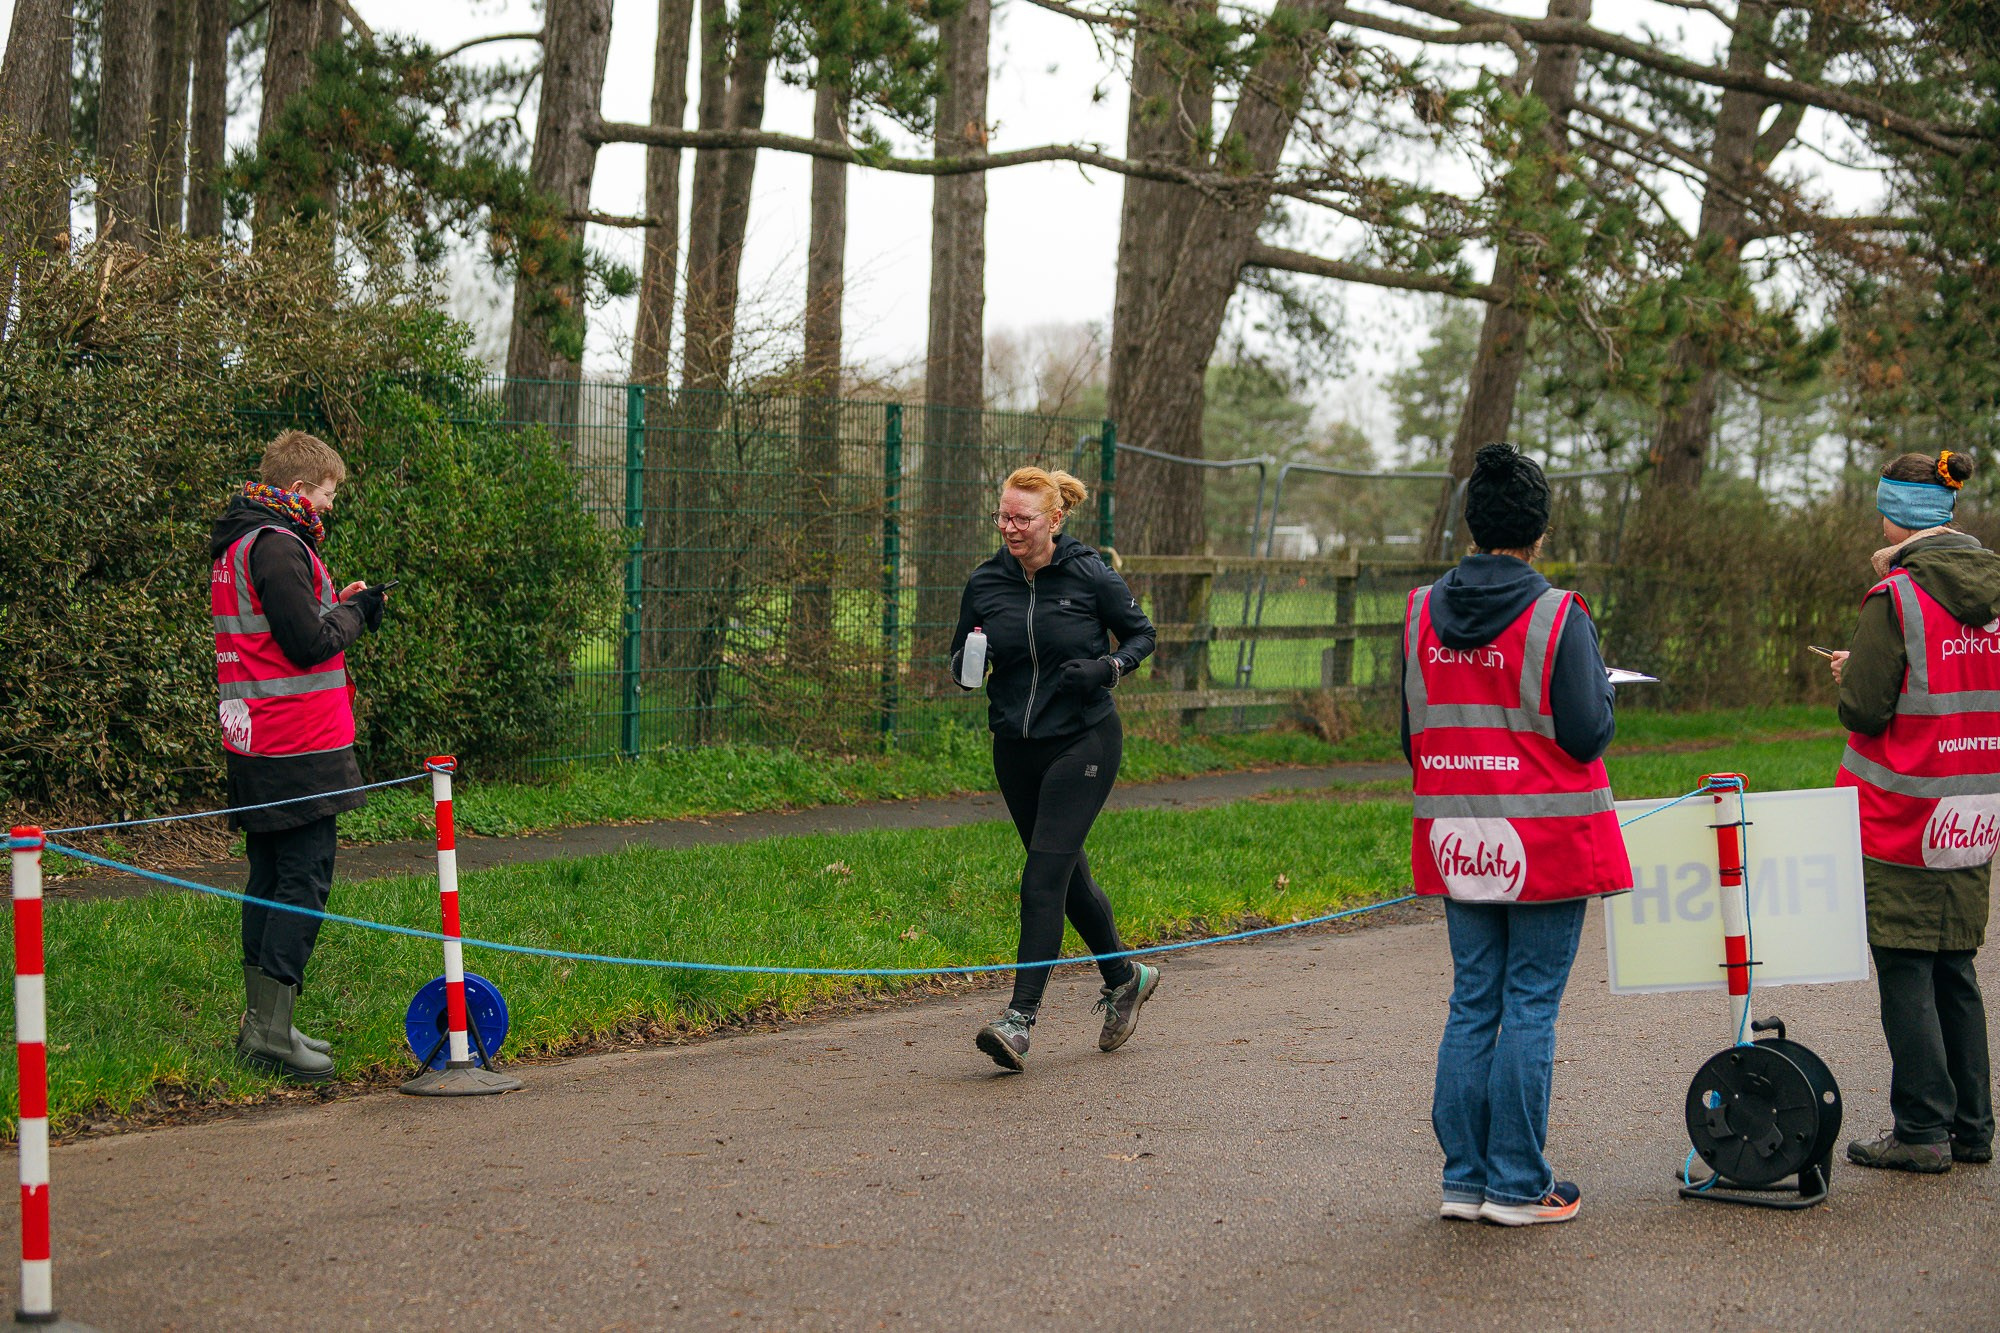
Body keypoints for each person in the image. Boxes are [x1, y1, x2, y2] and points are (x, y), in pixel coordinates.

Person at [1402, 442, 1629, 1226]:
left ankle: (1464, 1179)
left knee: (1473, 1000)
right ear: (1539, 530)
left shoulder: (1420, 612)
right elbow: (1587, 733)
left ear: (1471, 522)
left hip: (1458, 834)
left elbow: (1414, 733)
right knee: (1530, 1005)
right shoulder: (1559, 614)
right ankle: (1518, 1184)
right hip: (1547, 842)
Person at [949, 466, 1161, 1072]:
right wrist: (968, 658)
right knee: (1064, 876)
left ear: (1054, 520)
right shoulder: (986, 580)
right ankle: (1126, 977)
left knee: (1041, 877)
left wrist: (1109, 668)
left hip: (1085, 740)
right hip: (1015, 746)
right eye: (1003, 516)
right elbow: (959, 654)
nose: (1010, 528)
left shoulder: (1090, 573)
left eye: (1022, 519)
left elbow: (1141, 636)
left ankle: (1018, 1021)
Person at [1829, 449, 1995, 1173]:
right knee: (1955, 965)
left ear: (1894, 515)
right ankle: (1974, 1127)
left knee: (1904, 966)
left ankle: (1921, 1128)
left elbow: (1864, 707)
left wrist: (1853, 668)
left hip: (1901, 814)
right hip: (1972, 810)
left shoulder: (1895, 598)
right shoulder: (1992, 594)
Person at [209, 430, 387, 1081]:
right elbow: (309, 641)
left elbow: (283, 632)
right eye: (327, 492)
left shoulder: (240, 545)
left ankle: (264, 1023)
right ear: (297, 490)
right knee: (304, 880)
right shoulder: (280, 548)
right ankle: (271, 1033)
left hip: (258, 738)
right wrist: (358, 613)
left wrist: (339, 605)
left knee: (268, 877)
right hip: (298, 745)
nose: (330, 505)